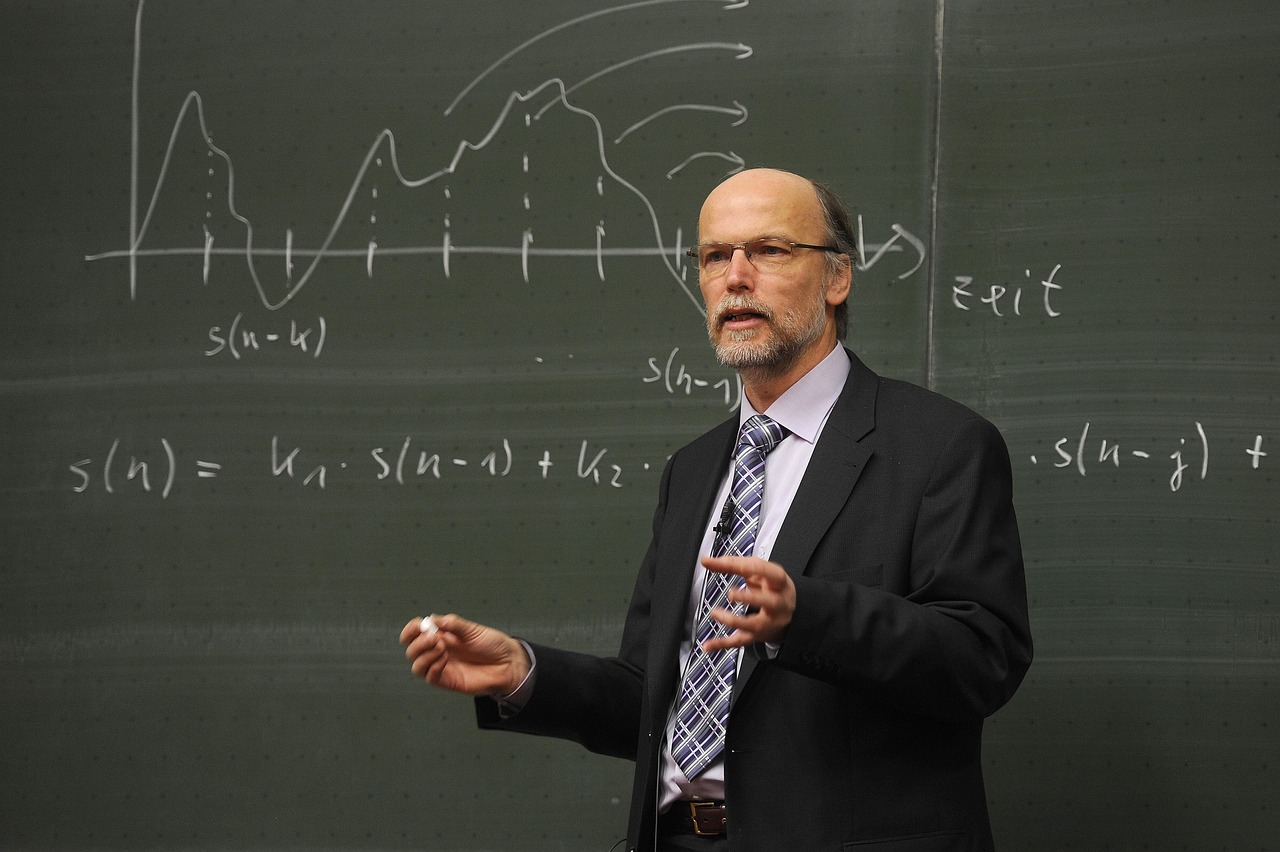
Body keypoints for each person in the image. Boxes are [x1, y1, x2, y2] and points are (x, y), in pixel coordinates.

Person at [400, 168, 1033, 852]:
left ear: (838, 277)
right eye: (713, 256)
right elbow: (656, 697)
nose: (735, 277)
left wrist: (804, 617)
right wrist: (525, 673)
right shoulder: (693, 469)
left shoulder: (939, 445)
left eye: (769, 250)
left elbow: (982, 658)